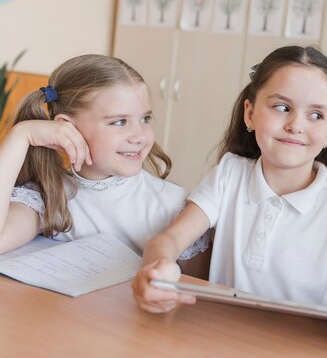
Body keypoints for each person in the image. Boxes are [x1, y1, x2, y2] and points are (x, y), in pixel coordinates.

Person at [131, 45, 327, 352]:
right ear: (250, 113)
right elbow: (169, 240)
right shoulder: (229, 174)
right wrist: (159, 269)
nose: (296, 124)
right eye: (282, 107)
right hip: (216, 341)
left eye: (316, 115)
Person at [0, 54, 190, 257]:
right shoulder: (48, 197)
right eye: (120, 122)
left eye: (145, 118)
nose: (140, 137)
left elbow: (200, 286)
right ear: (67, 127)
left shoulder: (175, 207)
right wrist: (22, 135)